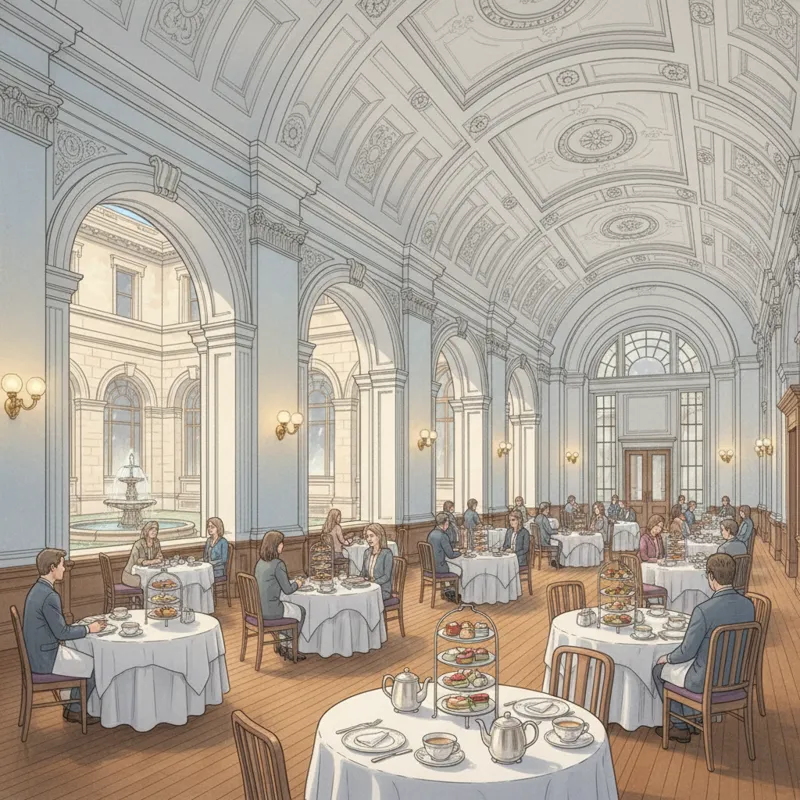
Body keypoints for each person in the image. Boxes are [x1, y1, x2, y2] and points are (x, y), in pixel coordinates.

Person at [653, 554, 755, 743]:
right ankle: (695, 718)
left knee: (659, 671)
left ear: (710, 577)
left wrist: (667, 658)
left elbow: (686, 652)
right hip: (737, 676)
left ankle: (681, 726)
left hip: (705, 681)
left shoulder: (703, 610)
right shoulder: (748, 605)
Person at [23, 548, 106, 724]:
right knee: (95, 665)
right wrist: (89, 629)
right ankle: (75, 710)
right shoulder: (50, 596)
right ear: (52, 568)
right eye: (61, 565)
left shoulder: (37, 590)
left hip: (38, 653)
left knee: (87, 659)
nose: (64, 568)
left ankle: (72, 706)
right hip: (46, 659)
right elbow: (62, 633)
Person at [254, 530, 306, 661]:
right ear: (275, 545)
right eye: (281, 543)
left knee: (290, 608)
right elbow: (288, 590)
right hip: (272, 611)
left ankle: (282, 645)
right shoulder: (278, 564)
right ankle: (290, 648)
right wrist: (298, 583)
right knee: (301, 611)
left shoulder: (260, 563)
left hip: (257, 610)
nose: (283, 545)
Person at [427, 512, 461, 601]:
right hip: (440, 568)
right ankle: (454, 593)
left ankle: (447, 592)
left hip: (431, 566)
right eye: (448, 523)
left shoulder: (432, 534)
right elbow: (451, 555)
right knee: (459, 569)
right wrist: (461, 552)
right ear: (445, 523)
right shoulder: (443, 536)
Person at [122, 520, 163, 588]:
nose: (154, 532)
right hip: (131, 576)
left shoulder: (156, 542)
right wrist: (155, 561)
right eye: (151, 530)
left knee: (159, 581)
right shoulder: (138, 544)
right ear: (147, 531)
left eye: (156, 530)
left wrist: (159, 558)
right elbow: (139, 562)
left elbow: (159, 556)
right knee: (151, 583)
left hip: (147, 573)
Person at [360, 522, 394, 600]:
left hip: (382, 590)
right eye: (367, 536)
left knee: (364, 598)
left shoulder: (387, 553)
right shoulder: (367, 552)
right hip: (369, 588)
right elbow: (363, 573)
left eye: (371, 536)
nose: (369, 539)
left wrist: (373, 583)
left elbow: (386, 576)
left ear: (378, 536)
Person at [534, 502, 562, 568]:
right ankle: (556, 561)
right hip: (544, 541)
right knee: (560, 543)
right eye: (547, 509)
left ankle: (553, 561)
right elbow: (549, 531)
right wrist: (558, 531)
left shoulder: (537, 517)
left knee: (555, 542)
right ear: (544, 509)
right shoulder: (544, 519)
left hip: (537, 542)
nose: (548, 511)